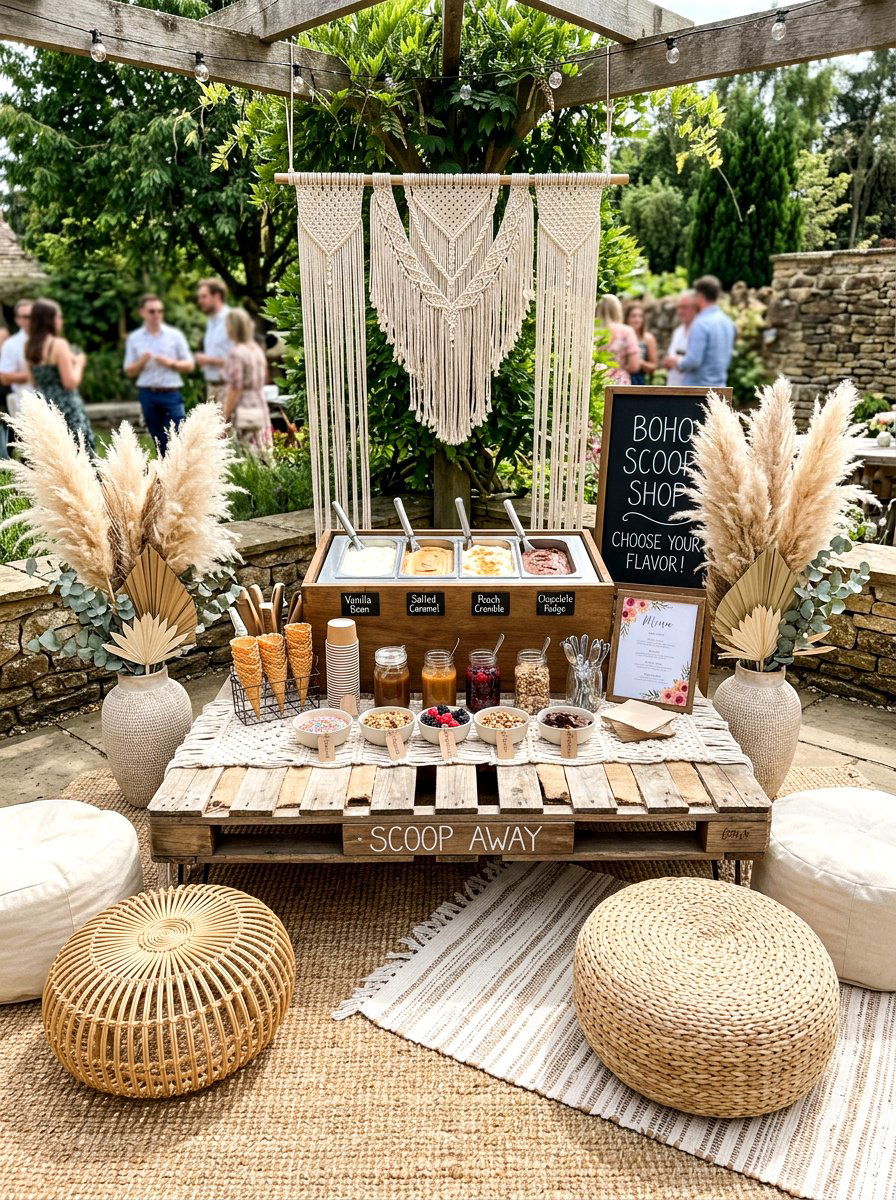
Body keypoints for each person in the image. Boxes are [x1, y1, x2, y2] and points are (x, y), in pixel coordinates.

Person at [124, 294, 194, 455]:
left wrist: (170, 363)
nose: (157, 315)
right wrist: (141, 362)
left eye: (160, 311)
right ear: (142, 312)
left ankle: (181, 474)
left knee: (178, 437)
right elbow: (129, 371)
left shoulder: (175, 335)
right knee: (159, 439)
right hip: (148, 394)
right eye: (152, 311)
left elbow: (189, 365)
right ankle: (164, 476)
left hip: (172, 394)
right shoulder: (134, 339)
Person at [24, 298, 95, 452]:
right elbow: (70, 382)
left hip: (44, 403)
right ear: (50, 320)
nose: (61, 321)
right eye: (59, 317)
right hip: (65, 405)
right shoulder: (58, 344)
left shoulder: (30, 346)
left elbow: (33, 382)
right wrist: (80, 364)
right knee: (79, 449)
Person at [664, 276, 735, 388]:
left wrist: (676, 361)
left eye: (695, 295)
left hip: (698, 388)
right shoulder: (727, 322)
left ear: (701, 296)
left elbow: (693, 361)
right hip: (720, 387)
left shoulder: (700, 323)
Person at [222, 307, 273, 453]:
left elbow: (235, 388)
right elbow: (265, 378)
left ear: (234, 327)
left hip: (244, 408)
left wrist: (224, 418)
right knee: (264, 452)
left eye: (227, 325)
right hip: (260, 404)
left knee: (247, 456)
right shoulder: (256, 349)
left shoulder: (236, 353)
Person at [195, 277, 231, 406]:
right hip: (211, 388)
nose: (200, 301)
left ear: (216, 296)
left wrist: (208, 360)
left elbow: (241, 360)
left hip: (228, 388)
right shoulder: (211, 321)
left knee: (229, 427)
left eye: (204, 296)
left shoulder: (231, 319)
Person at [596, 295, 641, 384]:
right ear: (617, 309)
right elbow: (634, 366)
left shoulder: (591, 330)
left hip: (595, 381)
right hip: (619, 382)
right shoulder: (627, 331)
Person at [663, 290, 698, 387]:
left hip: (692, 389)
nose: (680, 311)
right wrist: (668, 362)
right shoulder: (678, 331)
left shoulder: (700, 332)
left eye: (684, 307)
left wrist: (676, 361)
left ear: (696, 308)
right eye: (679, 307)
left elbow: (696, 362)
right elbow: (671, 356)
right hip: (674, 387)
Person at [624, 301, 658, 385]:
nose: (637, 319)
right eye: (633, 316)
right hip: (621, 378)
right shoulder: (621, 336)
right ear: (627, 318)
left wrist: (639, 362)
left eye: (640, 316)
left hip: (638, 381)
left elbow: (653, 366)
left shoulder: (648, 338)